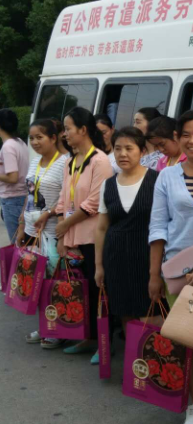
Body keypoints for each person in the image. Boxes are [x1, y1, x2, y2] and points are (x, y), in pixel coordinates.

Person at [148, 108, 193, 424]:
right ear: (177, 137)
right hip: (180, 271)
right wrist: (154, 274)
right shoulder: (167, 176)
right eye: (186, 135)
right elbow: (157, 226)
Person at [55, 107, 113, 364]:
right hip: (72, 235)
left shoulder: (100, 160)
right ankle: (87, 337)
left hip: (93, 237)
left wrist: (65, 225)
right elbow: (63, 198)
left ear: (83, 129)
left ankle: (104, 343)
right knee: (83, 290)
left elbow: (95, 202)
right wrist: (61, 233)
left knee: (99, 290)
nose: (65, 134)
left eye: (68, 129)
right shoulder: (71, 160)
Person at [94, 127, 162, 336]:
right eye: (118, 148)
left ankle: (152, 356)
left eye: (129, 148)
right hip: (116, 258)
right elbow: (102, 227)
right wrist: (99, 266)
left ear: (142, 151)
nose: (123, 154)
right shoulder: (108, 185)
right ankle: (133, 356)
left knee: (152, 315)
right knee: (125, 314)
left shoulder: (158, 180)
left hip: (147, 258)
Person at [17, 119, 68, 349]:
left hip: (51, 233)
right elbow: (29, 195)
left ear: (53, 138)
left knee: (53, 283)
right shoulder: (34, 162)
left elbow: (68, 199)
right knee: (36, 282)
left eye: (40, 137)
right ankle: (44, 326)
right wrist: (21, 225)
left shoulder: (65, 163)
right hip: (31, 231)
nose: (35, 142)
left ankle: (57, 330)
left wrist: (49, 213)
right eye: (32, 138)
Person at [0, 109, 29, 242]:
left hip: (12, 199)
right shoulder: (20, 142)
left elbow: (13, 177)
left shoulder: (8, 147)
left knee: (16, 243)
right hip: (22, 197)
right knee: (23, 242)